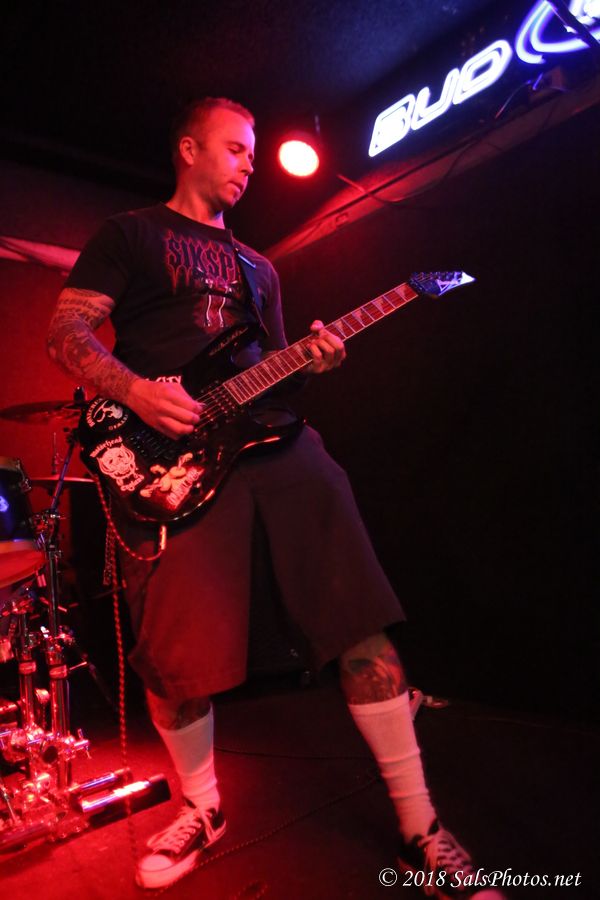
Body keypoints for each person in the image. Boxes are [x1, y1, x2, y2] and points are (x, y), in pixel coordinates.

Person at [47, 98, 501, 899]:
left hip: (276, 439)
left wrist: (313, 358)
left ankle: (420, 827)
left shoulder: (260, 267)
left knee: (359, 621)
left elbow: (273, 364)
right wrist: (137, 392)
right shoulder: (130, 234)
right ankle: (201, 808)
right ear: (189, 148)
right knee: (176, 655)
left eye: (254, 153)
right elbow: (66, 335)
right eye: (236, 148)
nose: (250, 163)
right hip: (169, 456)